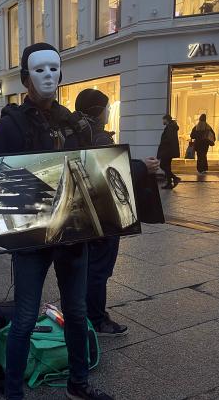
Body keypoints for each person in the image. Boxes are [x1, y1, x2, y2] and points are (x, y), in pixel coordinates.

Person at [0, 43, 112, 400]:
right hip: (32, 238)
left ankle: (78, 385)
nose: (48, 76)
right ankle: (14, 394)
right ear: (26, 78)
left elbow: (94, 170)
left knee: (75, 312)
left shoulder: (74, 123)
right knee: (25, 319)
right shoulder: (10, 126)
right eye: (39, 70)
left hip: (72, 234)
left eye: (54, 69)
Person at [73, 89, 160, 338]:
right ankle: (97, 319)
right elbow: (111, 172)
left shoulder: (77, 133)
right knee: (99, 270)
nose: (109, 111)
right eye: (107, 107)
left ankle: (85, 313)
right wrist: (143, 166)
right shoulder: (98, 138)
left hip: (85, 213)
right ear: (97, 111)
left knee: (88, 268)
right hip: (104, 215)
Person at [157, 114, 181, 189]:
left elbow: (168, 140)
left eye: (163, 120)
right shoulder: (171, 126)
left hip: (167, 151)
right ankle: (169, 183)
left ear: (166, 119)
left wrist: (162, 148)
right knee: (167, 167)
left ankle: (174, 178)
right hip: (169, 151)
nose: (162, 121)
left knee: (163, 165)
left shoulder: (170, 127)